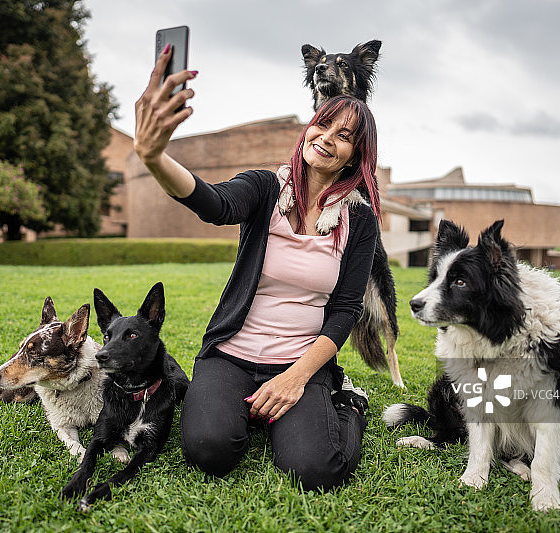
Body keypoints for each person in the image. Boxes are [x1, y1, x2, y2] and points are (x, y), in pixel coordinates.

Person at [133, 45, 382, 492]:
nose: (326, 138)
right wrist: (153, 157)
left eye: (343, 136)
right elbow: (214, 203)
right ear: (308, 130)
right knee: (209, 451)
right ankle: (255, 409)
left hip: (300, 359)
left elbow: (345, 311)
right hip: (232, 354)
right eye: (322, 125)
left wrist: (297, 377)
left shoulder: (359, 218)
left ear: (354, 154)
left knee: (315, 471)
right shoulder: (265, 187)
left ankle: (346, 405)